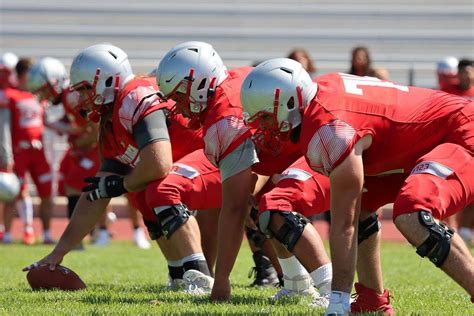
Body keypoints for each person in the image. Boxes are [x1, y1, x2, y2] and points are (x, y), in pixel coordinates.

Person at [240, 58, 474, 315]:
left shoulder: (331, 129)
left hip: (463, 130)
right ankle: (372, 302)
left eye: (264, 117)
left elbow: (344, 225)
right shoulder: (318, 99)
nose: (261, 127)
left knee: (412, 213)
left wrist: (337, 299)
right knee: (363, 203)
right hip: (422, 141)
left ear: (292, 103)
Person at [155, 41, 333, 303]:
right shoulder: (236, 77)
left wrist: (223, 280)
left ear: (200, 84)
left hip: (320, 149)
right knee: (261, 207)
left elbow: (233, 208)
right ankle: (297, 285)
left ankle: (333, 291)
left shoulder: (224, 121)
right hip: (298, 150)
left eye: (179, 96)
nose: (176, 106)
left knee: (274, 207)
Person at [23, 44, 206, 287]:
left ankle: (200, 275)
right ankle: (180, 274)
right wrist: (59, 252)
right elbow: (96, 193)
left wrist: (119, 184)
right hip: (193, 169)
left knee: (158, 190)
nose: (82, 97)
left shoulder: (135, 97)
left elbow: (158, 164)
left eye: (86, 88)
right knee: (144, 195)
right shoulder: (112, 118)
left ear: (108, 79)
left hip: (213, 160)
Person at [0, 57, 54, 245]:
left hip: (39, 152)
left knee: (47, 194)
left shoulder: (38, 96)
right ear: (23, 75)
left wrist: (67, 129)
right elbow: (5, 126)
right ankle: (11, 233)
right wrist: (7, 154)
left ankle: (46, 234)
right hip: (19, 152)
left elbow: (45, 121)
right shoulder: (10, 95)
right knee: (14, 193)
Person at [0, 52, 18, 242]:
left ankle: (22, 229)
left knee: (12, 191)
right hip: (8, 150)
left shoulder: (12, 95)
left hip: (11, 150)